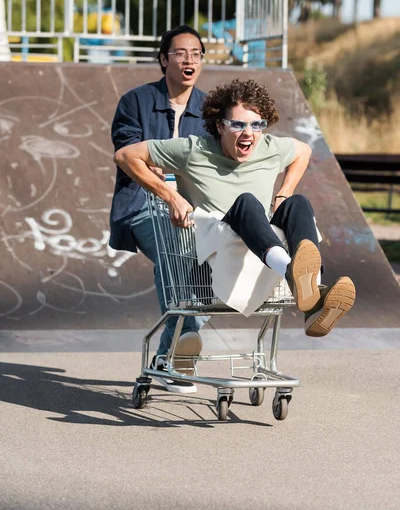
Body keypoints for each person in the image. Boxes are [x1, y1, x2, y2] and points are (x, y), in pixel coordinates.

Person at [114, 78, 356, 342]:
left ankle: (310, 289)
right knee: (247, 203)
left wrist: (283, 192)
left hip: (259, 257)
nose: (248, 133)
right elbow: (126, 156)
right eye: (238, 124)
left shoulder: (270, 148)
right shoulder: (193, 150)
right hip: (212, 263)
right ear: (220, 125)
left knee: (297, 203)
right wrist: (170, 196)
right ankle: (298, 279)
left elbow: (303, 150)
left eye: (256, 125)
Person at [109, 25, 209, 394]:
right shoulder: (135, 101)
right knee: (179, 251)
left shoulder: (211, 108)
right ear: (164, 59)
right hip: (143, 205)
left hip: (196, 211)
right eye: (181, 53)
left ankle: (168, 359)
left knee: (202, 268)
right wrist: (169, 191)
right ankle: (181, 354)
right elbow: (130, 158)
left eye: (196, 53)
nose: (189, 60)